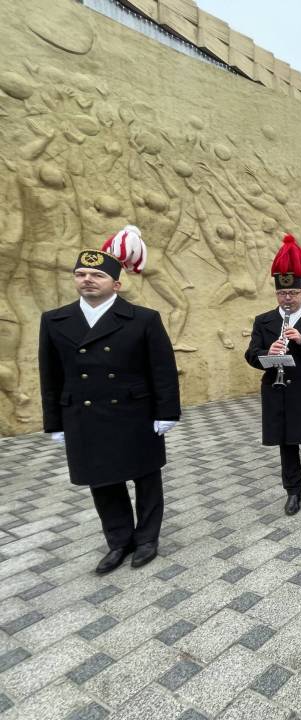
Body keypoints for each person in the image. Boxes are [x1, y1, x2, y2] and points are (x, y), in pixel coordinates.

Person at [39, 227, 180, 574]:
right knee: (102, 481)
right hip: (83, 415)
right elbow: (50, 374)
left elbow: (162, 369)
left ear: (116, 284)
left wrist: (167, 413)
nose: (87, 280)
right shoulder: (55, 320)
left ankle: (147, 538)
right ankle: (119, 541)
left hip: (135, 412)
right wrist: (54, 422)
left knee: (146, 479)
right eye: (81, 274)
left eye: (97, 275)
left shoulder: (143, 319)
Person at [245, 234, 301, 515]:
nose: (287, 298)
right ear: (277, 294)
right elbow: (251, 354)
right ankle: (293, 491)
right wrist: (268, 353)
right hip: (280, 391)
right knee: (287, 445)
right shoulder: (264, 320)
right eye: (282, 294)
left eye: (293, 293)